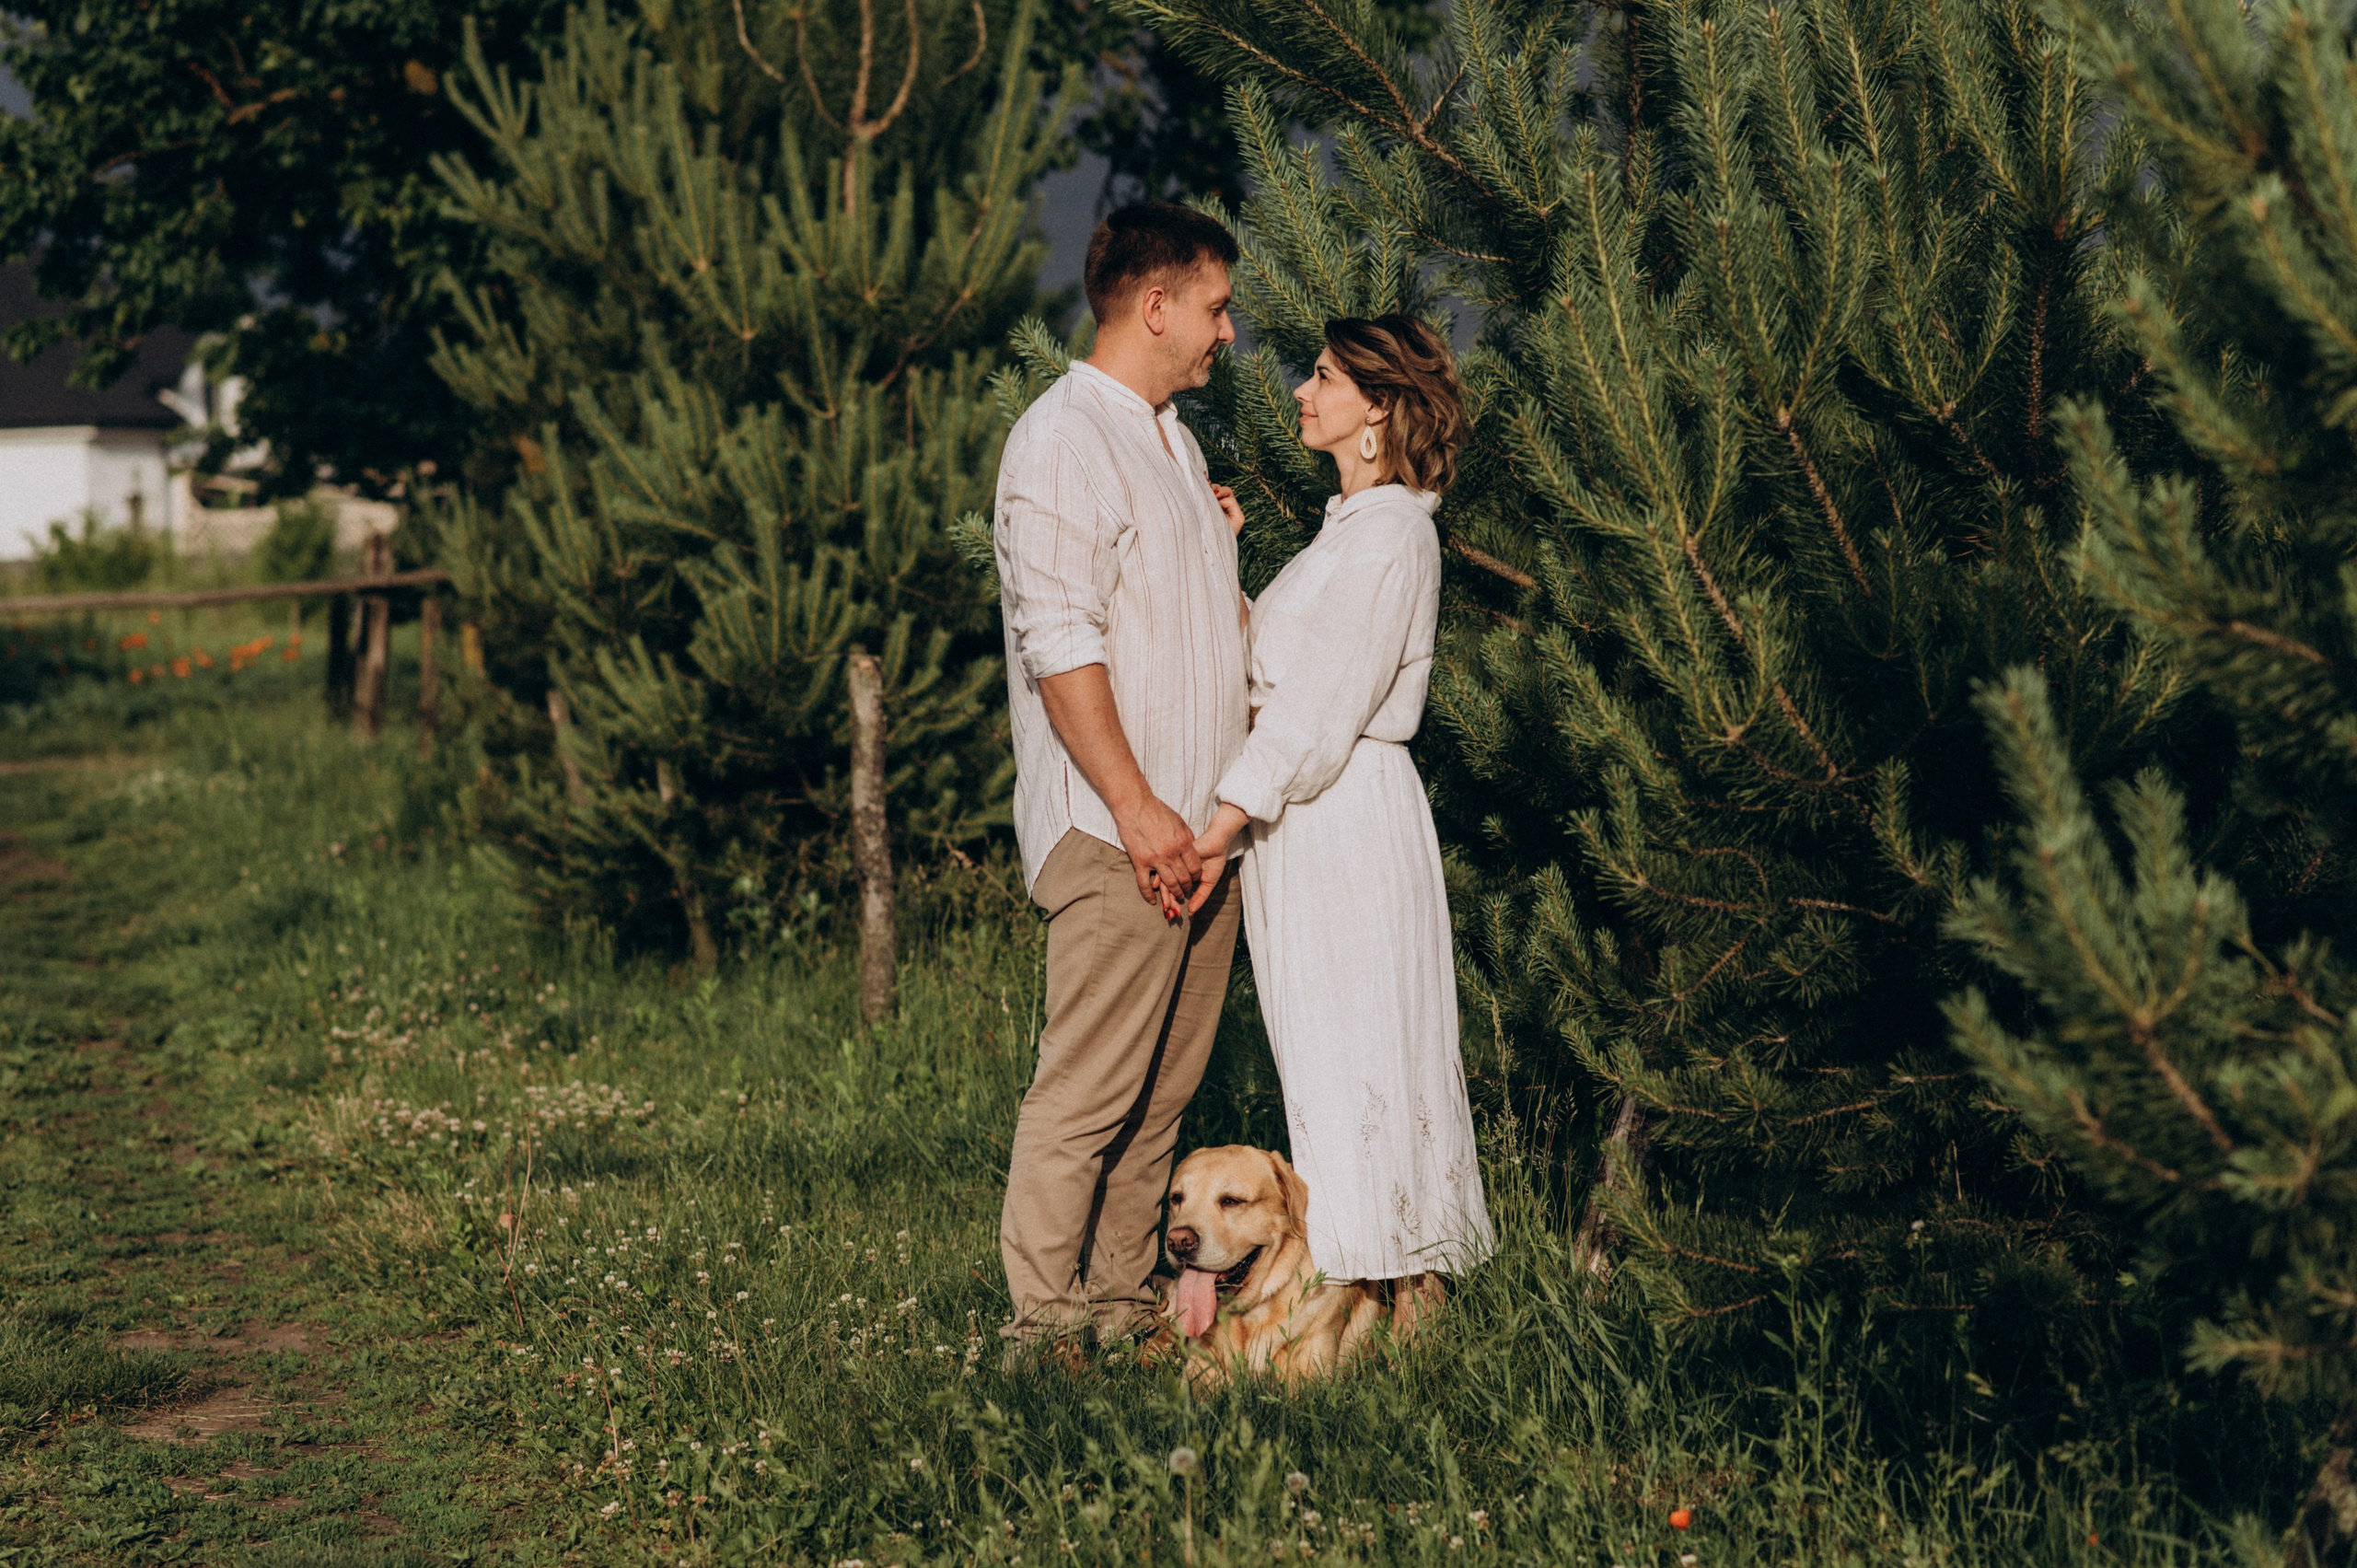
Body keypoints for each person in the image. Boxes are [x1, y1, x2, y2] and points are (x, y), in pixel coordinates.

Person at [1188, 314, 1494, 1324]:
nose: (1299, 392)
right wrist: (1229, 563)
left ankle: (1406, 1304)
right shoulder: (1347, 531)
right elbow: (1277, 672)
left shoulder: (1396, 530)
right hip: (1308, 822)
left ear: (1378, 408)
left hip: (1341, 819)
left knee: (1364, 1045)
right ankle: (1378, 1302)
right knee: (1328, 1049)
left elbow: (1319, 710)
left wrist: (1222, 819)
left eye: (1320, 377)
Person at [991, 203, 1251, 1361]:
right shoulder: (1061, 438)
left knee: (1158, 1107)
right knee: (1086, 1099)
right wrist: (1140, 812)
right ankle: (1043, 1327)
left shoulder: (1173, 443)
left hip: (1202, 839)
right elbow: (1061, 645)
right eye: (1214, 306)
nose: (1227, 332)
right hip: (1117, 834)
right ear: (1154, 306)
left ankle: (1119, 1302)